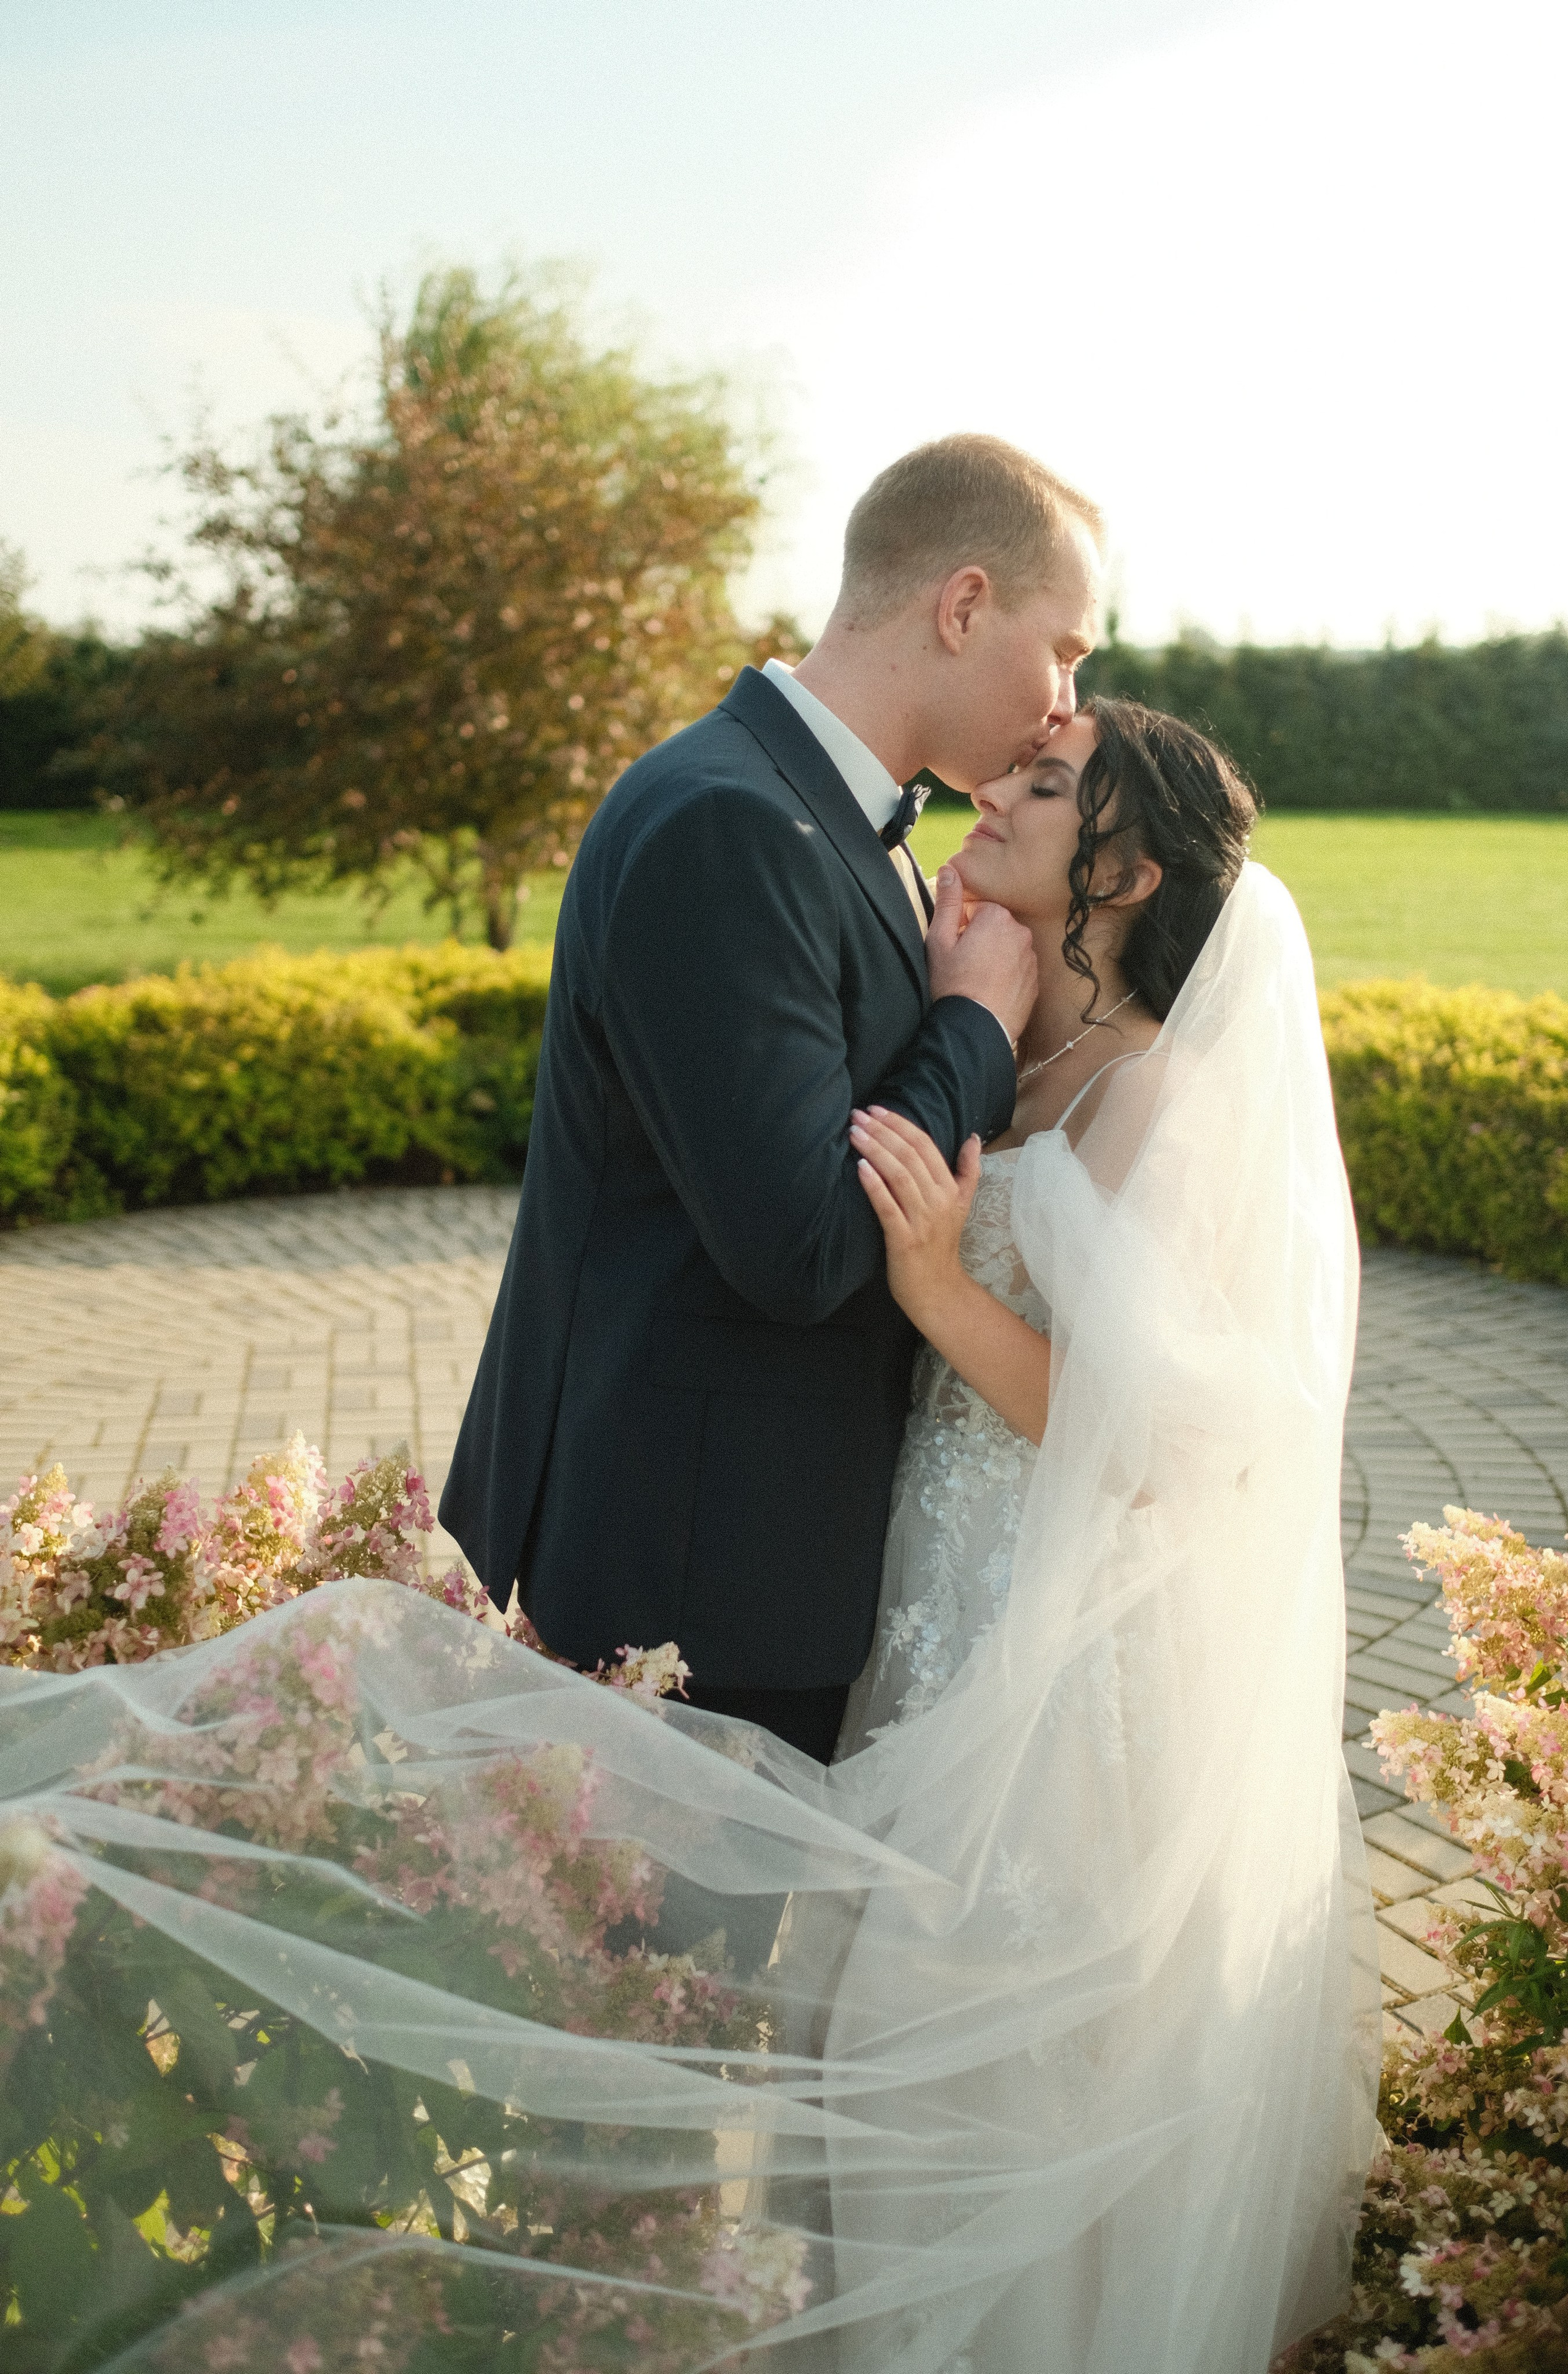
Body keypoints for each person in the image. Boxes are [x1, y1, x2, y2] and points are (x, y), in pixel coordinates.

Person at [7, 689, 1376, 2370]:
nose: (1000, 791)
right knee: (874, 1994)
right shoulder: (1011, 1043)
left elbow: (1167, 1445)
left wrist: (939, 1286)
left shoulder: (1159, 1094)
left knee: (1005, 2002)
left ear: (1134, 867)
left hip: (1061, 1627)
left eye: (1049, 783)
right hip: (931, 1590)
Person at [439, 433, 1104, 1763]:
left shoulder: (812, 814)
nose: (1063, 699)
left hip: (734, 1558)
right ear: (962, 605)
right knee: (673, 1978)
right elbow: (797, 1243)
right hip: (692, 1585)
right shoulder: (729, 822)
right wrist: (971, 1019)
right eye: (1065, 649)